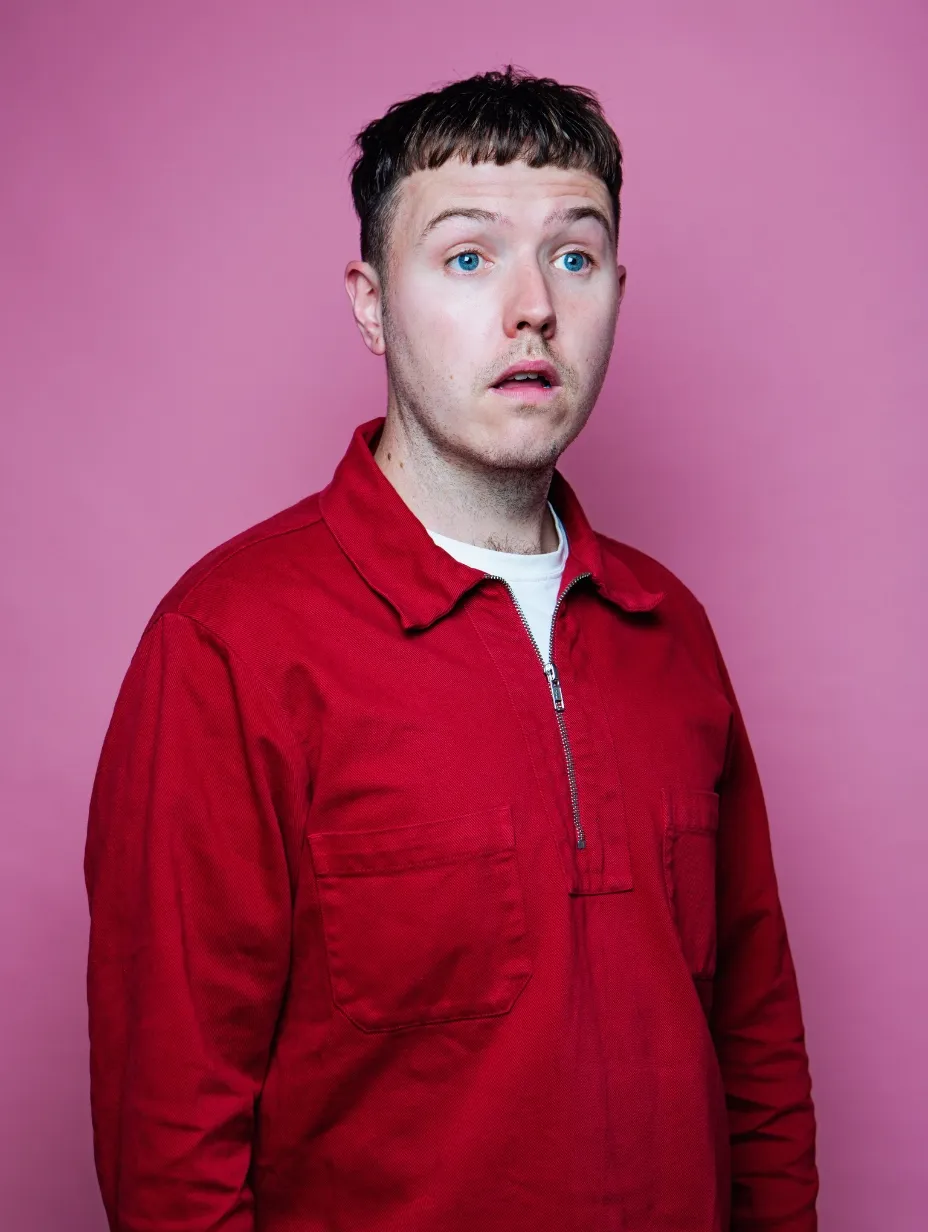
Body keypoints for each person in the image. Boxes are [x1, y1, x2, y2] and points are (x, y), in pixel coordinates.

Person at [84, 65, 818, 1232]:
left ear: (617, 291)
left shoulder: (672, 631)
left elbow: (757, 1047)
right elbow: (170, 1141)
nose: (533, 307)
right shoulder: (227, 643)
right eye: (468, 257)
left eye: (573, 256)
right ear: (372, 303)